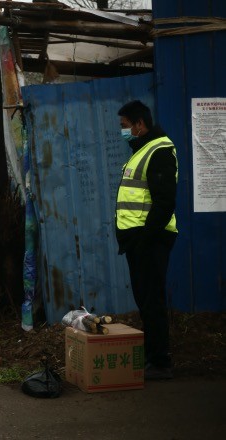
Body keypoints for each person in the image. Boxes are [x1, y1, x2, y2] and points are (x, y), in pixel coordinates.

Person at [116, 100, 178, 380]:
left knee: (151, 300)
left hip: (150, 241)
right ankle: (153, 357)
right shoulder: (141, 149)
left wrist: (143, 240)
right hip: (138, 242)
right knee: (145, 299)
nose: (123, 132)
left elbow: (164, 204)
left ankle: (160, 362)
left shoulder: (160, 150)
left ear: (140, 125)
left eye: (125, 126)